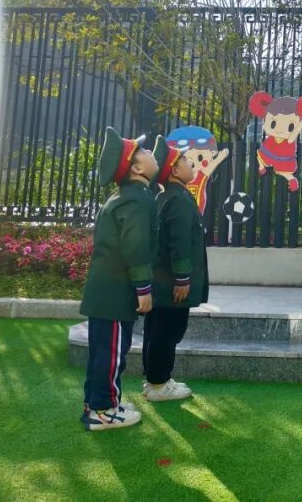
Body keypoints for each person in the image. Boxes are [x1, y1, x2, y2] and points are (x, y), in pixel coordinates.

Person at [78, 127, 160, 431]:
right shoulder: (137, 199)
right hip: (115, 292)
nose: (151, 153)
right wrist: (144, 287)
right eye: (144, 151)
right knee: (112, 354)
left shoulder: (127, 196)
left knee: (103, 353)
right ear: (136, 168)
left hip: (107, 292)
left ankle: (96, 403)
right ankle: (103, 410)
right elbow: (135, 247)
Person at [141, 136, 209, 403]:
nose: (191, 164)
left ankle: (156, 380)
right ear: (174, 171)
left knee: (157, 329)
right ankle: (159, 384)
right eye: (184, 161)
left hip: (161, 281)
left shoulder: (166, 197)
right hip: (171, 283)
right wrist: (182, 278)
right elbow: (179, 243)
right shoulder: (178, 200)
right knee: (167, 330)